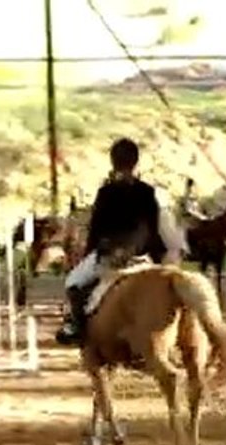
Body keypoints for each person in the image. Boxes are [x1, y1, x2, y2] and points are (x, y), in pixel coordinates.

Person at [55, 137, 183, 346]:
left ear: (113, 162)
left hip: (111, 256)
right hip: (143, 256)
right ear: (136, 162)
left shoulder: (106, 193)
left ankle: (76, 327)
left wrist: (91, 253)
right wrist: (158, 256)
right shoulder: (147, 192)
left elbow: (96, 230)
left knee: (73, 282)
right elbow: (153, 228)